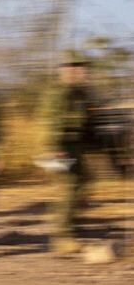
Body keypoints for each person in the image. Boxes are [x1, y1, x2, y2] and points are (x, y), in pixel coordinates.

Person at [42, 50, 95, 254]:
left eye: (80, 67)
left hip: (77, 147)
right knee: (68, 190)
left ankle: (70, 229)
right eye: (73, 67)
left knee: (81, 188)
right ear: (63, 70)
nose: (78, 71)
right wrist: (52, 148)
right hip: (61, 148)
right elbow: (48, 121)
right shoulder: (57, 93)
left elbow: (87, 123)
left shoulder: (81, 93)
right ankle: (62, 238)